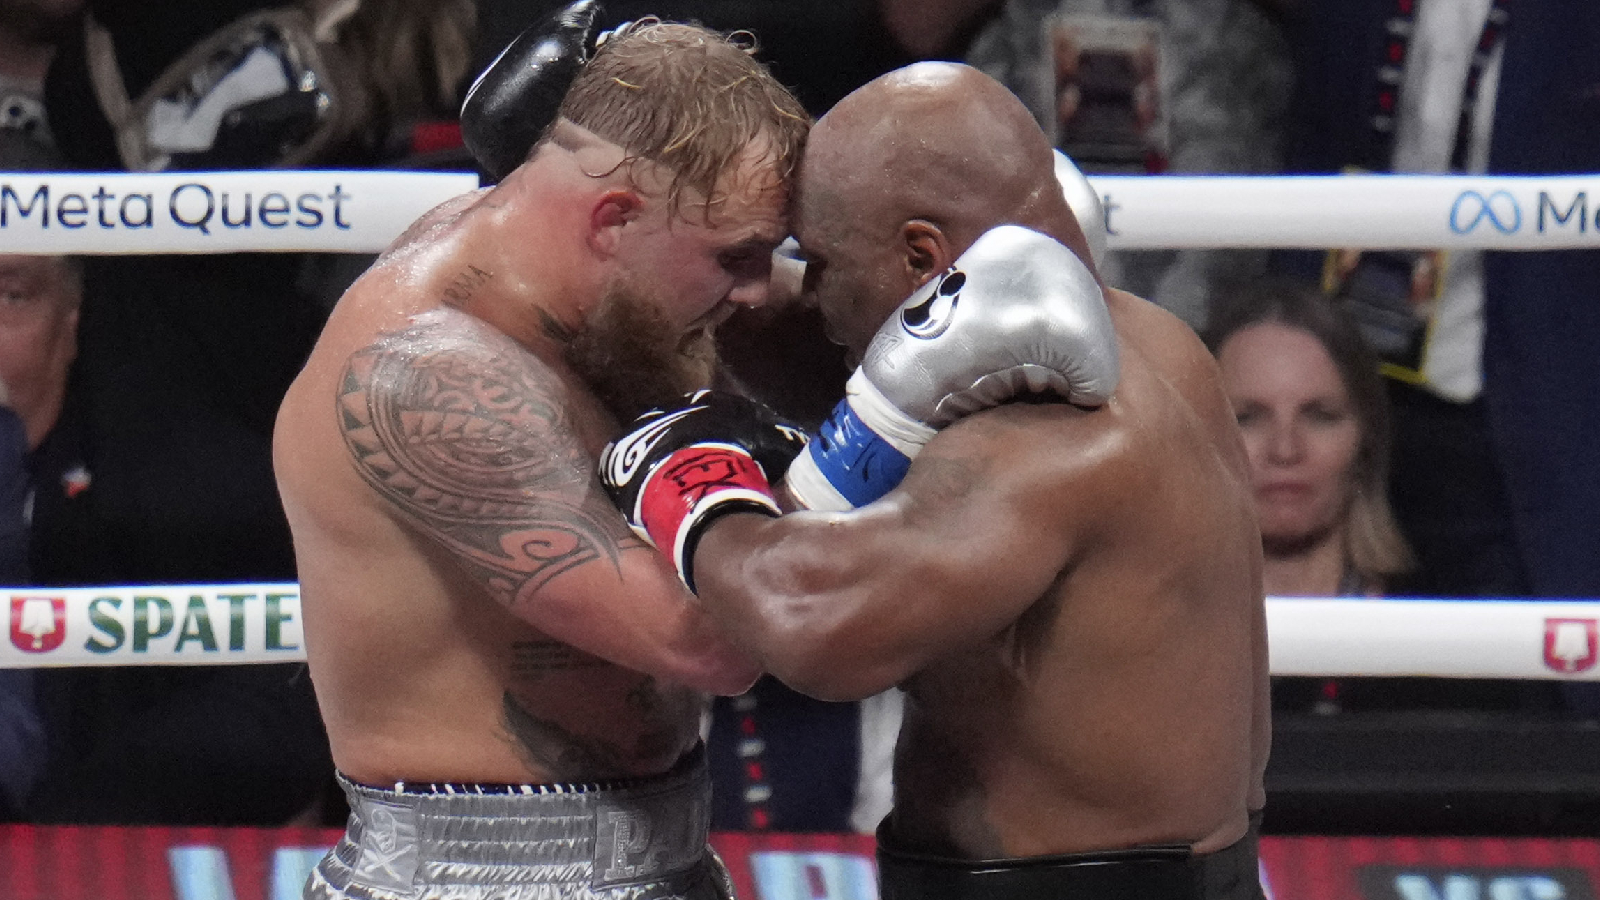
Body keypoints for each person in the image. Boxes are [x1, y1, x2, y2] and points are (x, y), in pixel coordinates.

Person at [604, 62, 1268, 900]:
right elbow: (848, 351)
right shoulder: (1159, 343)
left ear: (925, 254)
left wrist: (692, 482)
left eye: (821, 263)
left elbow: (812, 621)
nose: (814, 295)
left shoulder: (1052, 440)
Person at [273, 17, 808, 900]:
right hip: (474, 878)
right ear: (613, 218)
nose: (756, 288)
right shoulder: (432, 377)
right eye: (736, 257)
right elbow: (714, 641)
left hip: (664, 848)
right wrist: (873, 437)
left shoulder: (604, 287)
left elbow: (785, 316)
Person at [1202, 278, 1412, 600]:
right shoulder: (1139, 631)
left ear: (1366, 440)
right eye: (1246, 419)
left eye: (1319, 417)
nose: (1285, 450)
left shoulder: (1442, 626)